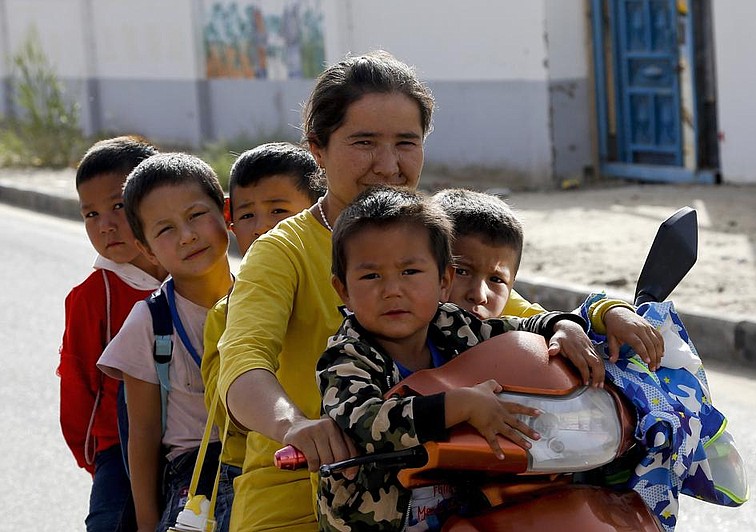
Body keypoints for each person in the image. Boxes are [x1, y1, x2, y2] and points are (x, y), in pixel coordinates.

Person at [217, 50, 434, 531]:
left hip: (434, 492)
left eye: (406, 143)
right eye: (364, 143)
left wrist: (595, 317)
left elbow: (512, 311)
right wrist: (294, 426)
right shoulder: (281, 251)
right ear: (317, 148)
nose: (388, 165)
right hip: (297, 496)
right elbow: (243, 362)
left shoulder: (435, 234)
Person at [316, 186, 593, 530]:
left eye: (410, 272)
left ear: (443, 280)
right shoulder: (345, 357)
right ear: (343, 289)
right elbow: (367, 423)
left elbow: (515, 330)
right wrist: (458, 404)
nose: (392, 290)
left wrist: (562, 326)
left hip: (454, 514)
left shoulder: (453, 325)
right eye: (371, 275)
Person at [97, 153, 233, 532]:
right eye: (165, 229)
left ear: (224, 212)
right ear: (146, 249)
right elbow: (141, 436)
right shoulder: (150, 322)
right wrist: (146, 521)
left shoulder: (263, 300)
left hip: (264, 465)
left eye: (195, 216)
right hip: (195, 482)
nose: (187, 235)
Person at [200, 142, 323, 530]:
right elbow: (224, 413)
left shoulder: (354, 278)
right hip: (259, 476)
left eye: (279, 211)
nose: (262, 226)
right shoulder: (226, 312)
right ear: (230, 221)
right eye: (247, 214)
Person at [431, 188, 664, 373]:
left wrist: (610, 312)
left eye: (496, 279)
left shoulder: (508, 310)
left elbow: (558, 320)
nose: (479, 294)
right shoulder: (407, 322)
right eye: (461, 271)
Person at [57, 135, 165, 532]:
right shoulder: (92, 296)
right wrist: (98, 458)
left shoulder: (194, 275)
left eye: (118, 206)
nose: (105, 225)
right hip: (120, 452)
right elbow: (78, 387)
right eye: (90, 214)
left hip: (197, 441)